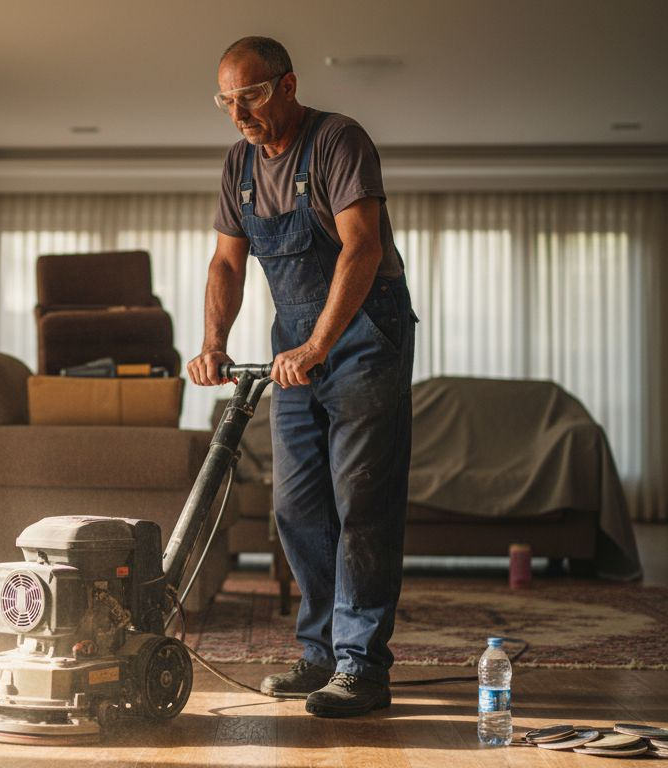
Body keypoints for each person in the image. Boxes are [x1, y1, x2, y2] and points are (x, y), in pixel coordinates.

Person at [187, 36, 417, 718]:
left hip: (365, 336)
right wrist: (212, 344)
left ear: (286, 86)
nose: (239, 114)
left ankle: (361, 665)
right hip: (295, 346)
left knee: (362, 501)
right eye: (226, 101)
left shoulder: (338, 141)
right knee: (297, 506)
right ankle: (319, 656)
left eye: (251, 97)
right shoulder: (240, 166)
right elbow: (227, 264)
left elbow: (363, 247)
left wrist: (322, 342)